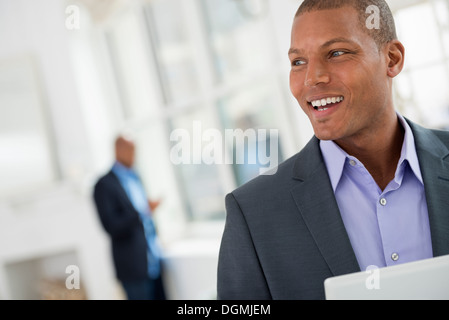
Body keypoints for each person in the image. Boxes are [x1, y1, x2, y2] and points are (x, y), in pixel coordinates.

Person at [217, 0, 449, 300]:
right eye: (298, 62)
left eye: (337, 53)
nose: (312, 78)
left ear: (392, 59)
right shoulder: (253, 213)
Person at [93, 134, 166, 300]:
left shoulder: (135, 177)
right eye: (131, 150)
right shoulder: (104, 185)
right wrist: (142, 212)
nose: (134, 154)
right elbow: (111, 226)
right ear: (118, 150)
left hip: (153, 260)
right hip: (132, 266)